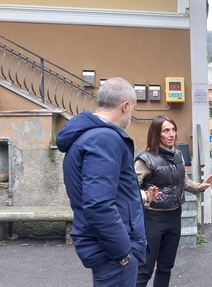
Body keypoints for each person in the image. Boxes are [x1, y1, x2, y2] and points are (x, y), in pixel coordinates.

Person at [57, 77, 147, 287]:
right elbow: (98, 204)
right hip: (113, 252)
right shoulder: (104, 139)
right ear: (125, 106)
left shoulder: (88, 136)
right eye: (132, 108)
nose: (130, 115)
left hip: (105, 247)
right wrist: (123, 252)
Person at [135, 115, 212, 287]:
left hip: (174, 217)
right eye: (166, 130)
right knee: (145, 268)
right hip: (152, 219)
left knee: (166, 267)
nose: (171, 134)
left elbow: (182, 181)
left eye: (173, 130)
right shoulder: (145, 160)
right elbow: (130, 189)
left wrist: (199, 186)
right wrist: (145, 197)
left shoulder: (178, 155)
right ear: (156, 134)